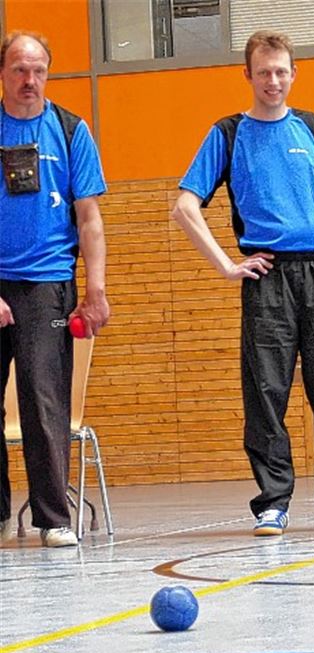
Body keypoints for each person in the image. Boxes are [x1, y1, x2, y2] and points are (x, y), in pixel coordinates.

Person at [172, 30, 314, 536]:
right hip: (266, 277)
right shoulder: (227, 133)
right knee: (265, 391)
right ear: (248, 74)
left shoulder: (312, 127)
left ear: (293, 73)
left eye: (281, 71)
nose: (273, 80)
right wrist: (226, 264)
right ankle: (273, 501)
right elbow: (184, 206)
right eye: (264, 71)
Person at [0, 31, 110, 548]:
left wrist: (96, 289)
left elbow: (89, 218)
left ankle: (52, 519)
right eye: (20, 68)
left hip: (48, 282)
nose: (30, 80)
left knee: (44, 403)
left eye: (39, 69)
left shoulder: (70, 131)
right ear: (3, 72)